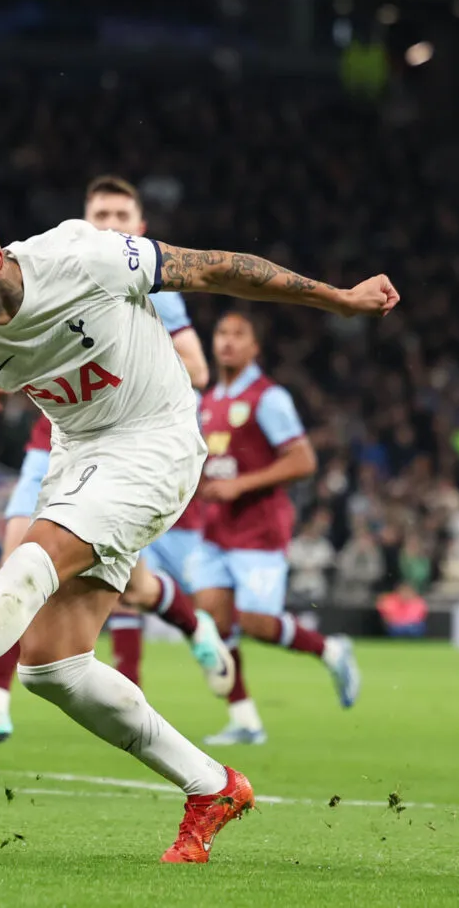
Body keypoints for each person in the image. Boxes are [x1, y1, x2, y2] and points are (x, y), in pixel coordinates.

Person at [0, 199, 397, 861]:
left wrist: (337, 299)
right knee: (53, 669)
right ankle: (213, 786)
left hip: (157, 443)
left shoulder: (83, 257)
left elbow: (217, 269)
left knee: (26, 564)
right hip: (81, 454)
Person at [0, 176, 231, 746]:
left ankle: (195, 626)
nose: (112, 223)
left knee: (134, 588)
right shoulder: (64, 272)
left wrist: (130, 359)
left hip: (126, 445)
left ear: (141, 227)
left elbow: (197, 370)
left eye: (123, 213)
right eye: (102, 213)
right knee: (18, 563)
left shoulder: (152, 287)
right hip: (55, 444)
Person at [193, 311, 360, 746]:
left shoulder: (269, 398)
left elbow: (304, 461)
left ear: (254, 348)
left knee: (256, 623)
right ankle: (245, 720)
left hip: (259, 529)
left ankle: (332, 650)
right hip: (215, 529)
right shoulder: (208, 401)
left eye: (238, 334)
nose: (228, 342)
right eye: (222, 333)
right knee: (215, 616)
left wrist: (240, 485)